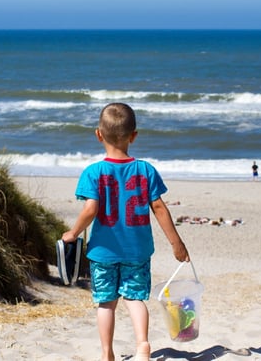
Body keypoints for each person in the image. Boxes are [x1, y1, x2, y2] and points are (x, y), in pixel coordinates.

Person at [61, 102, 190, 361]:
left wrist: (73, 233)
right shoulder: (145, 170)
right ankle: (143, 344)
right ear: (134, 136)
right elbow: (159, 208)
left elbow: (90, 209)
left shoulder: (94, 172)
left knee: (106, 303)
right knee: (134, 299)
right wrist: (176, 243)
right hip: (137, 250)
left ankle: (107, 353)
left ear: (99, 135)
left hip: (103, 252)